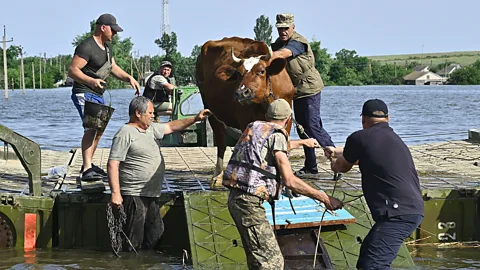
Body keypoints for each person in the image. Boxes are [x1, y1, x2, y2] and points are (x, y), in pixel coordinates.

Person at [223, 99, 343, 269]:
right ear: (288, 119)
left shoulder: (255, 127)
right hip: (248, 204)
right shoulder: (278, 134)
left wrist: (303, 143)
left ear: (267, 116)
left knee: (257, 259)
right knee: (272, 263)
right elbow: (289, 180)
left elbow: (272, 145)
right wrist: (323, 198)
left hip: (237, 199)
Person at [326, 99, 424, 270]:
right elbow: (365, 154)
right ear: (388, 118)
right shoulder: (394, 139)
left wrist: (333, 161)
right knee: (365, 262)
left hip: (397, 214)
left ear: (363, 119)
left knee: (374, 265)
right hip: (409, 210)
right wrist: (338, 151)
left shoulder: (359, 137)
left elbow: (341, 167)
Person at [107, 96, 211, 251]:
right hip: (134, 195)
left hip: (151, 194)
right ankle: (129, 264)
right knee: (133, 240)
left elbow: (172, 126)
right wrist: (116, 193)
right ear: (138, 113)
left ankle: (148, 263)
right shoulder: (125, 133)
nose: (152, 116)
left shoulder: (151, 129)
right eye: (150, 113)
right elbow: (112, 164)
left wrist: (195, 118)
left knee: (156, 234)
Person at [68, 13, 141, 180]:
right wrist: (91, 81)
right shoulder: (86, 47)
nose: (115, 34)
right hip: (84, 91)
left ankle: (88, 164)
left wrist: (129, 77)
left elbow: (112, 67)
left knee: (98, 130)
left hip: (97, 93)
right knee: (92, 128)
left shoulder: (107, 48)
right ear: (103, 28)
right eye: (113, 30)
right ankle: (87, 169)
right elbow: (72, 70)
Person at [271, 13, 334, 176]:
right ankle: (311, 167)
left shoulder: (298, 42)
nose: (283, 31)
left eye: (286, 28)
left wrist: (263, 57)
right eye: (280, 29)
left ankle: (336, 158)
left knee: (313, 127)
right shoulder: (278, 43)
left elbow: (283, 54)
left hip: (310, 88)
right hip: (296, 91)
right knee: (302, 129)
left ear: (293, 27)